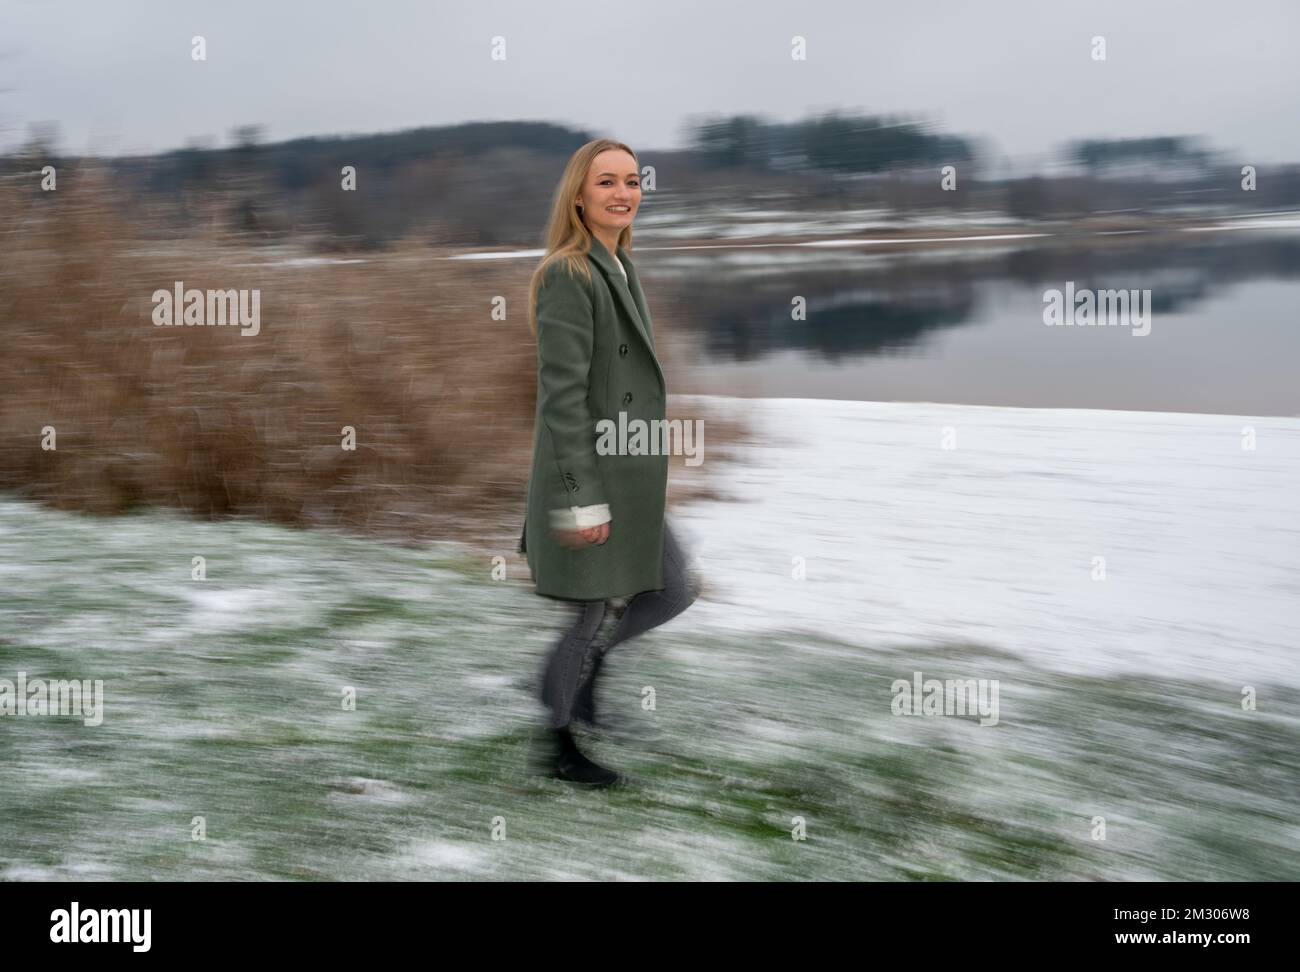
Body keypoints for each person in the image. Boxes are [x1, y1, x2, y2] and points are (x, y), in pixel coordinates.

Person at [519, 138, 697, 786]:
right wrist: (580, 498)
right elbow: (562, 402)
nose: (623, 193)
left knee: (674, 587)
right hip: (588, 478)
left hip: (630, 474)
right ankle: (559, 747)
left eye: (631, 180)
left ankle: (580, 675)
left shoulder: (618, 264)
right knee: (590, 613)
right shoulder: (568, 275)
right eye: (606, 183)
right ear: (578, 195)